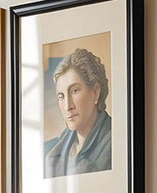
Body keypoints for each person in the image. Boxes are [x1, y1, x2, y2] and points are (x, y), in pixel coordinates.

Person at [44, 48, 112, 177]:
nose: (68, 106)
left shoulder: (116, 141)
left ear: (95, 92)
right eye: (61, 96)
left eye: (75, 91)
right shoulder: (50, 151)